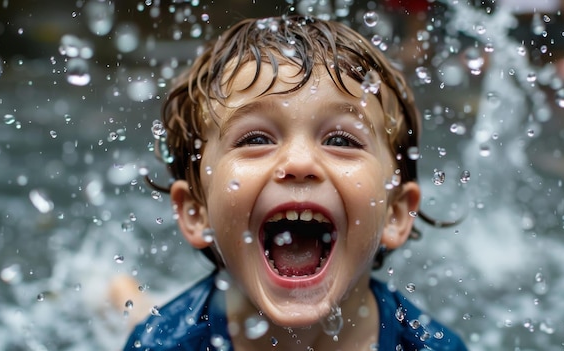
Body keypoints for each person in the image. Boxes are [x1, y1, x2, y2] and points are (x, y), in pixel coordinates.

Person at [122, 15, 468, 351]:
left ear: (396, 213)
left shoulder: (432, 346)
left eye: (341, 141)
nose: (299, 162)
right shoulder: (160, 343)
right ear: (196, 212)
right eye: (255, 139)